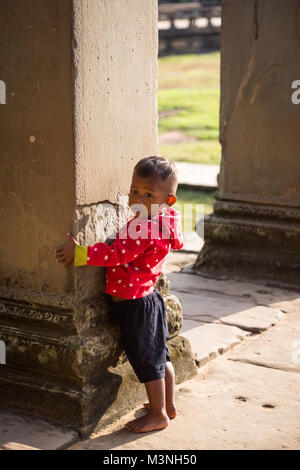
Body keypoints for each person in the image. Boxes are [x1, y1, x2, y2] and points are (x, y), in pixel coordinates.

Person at [54, 156, 184, 433]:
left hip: (135, 305)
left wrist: (79, 253)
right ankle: (168, 405)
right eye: (134, 190)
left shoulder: (144, 229)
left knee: (148, 362)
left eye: (148, 194)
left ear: (168, 200)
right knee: (161, 355)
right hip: (150, 299)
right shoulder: (165, 218)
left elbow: (113, 254)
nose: (137, 198)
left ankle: (159, 414)